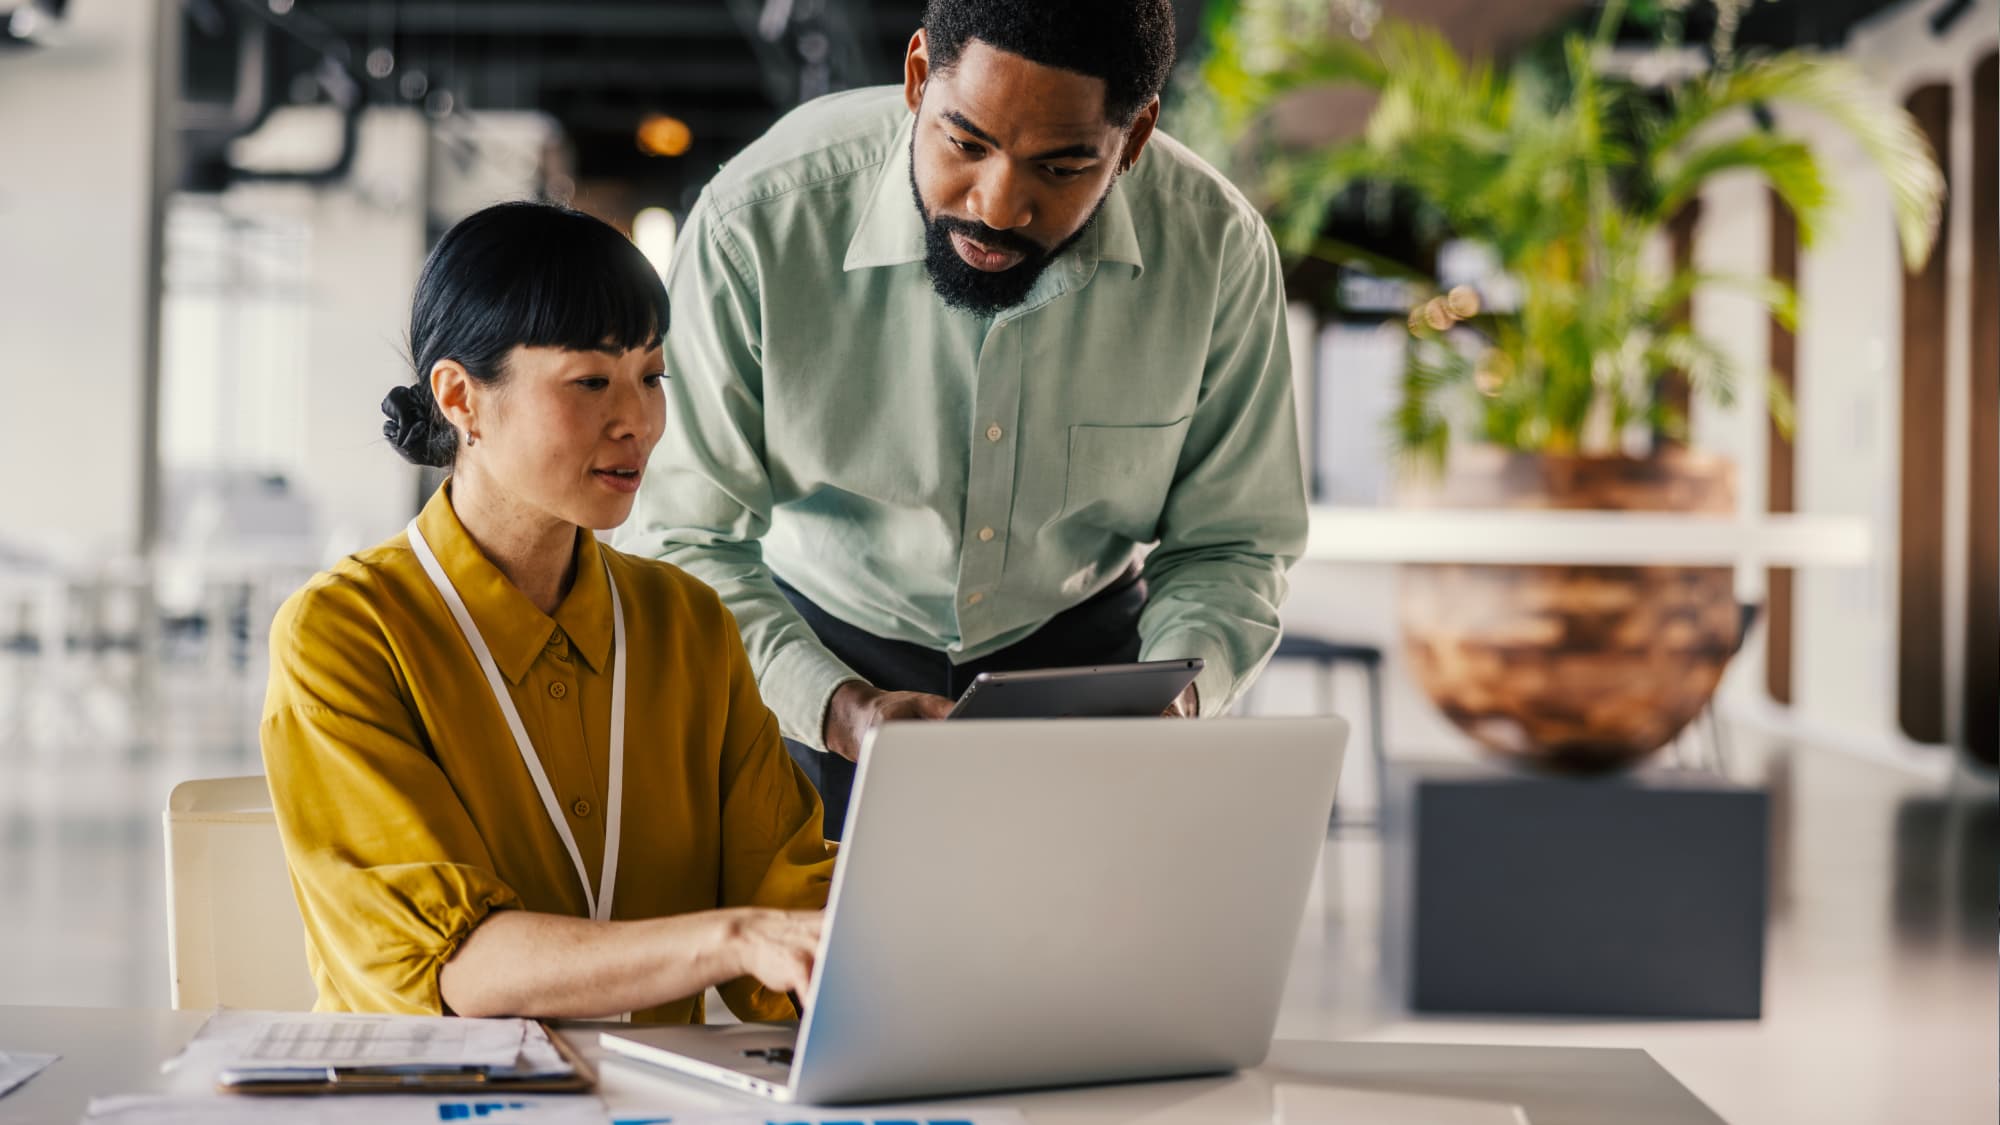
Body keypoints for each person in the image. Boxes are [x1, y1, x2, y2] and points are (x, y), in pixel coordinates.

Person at [617, 0, 1308, 838]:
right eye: (966, 143)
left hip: (1089, 670)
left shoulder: (1217, 252)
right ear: (916, 79)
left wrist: (1174, 699)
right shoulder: (757, 222)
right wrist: (835, 707)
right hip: (807, 660)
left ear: (1133, 140)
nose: (997, 205)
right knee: (814, 967)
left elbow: (1233, 543)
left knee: (1075, 968)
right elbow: (683, 540)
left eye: (1061, 167)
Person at [260, 201, 832, 1024]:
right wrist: (732, 937)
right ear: (460, 396)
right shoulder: (346, 634)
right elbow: (454, 967)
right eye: (592, 380)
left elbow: (788, 922)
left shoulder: (688, 623)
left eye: (651, 375)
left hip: (650, 1103)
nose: (637, 420)